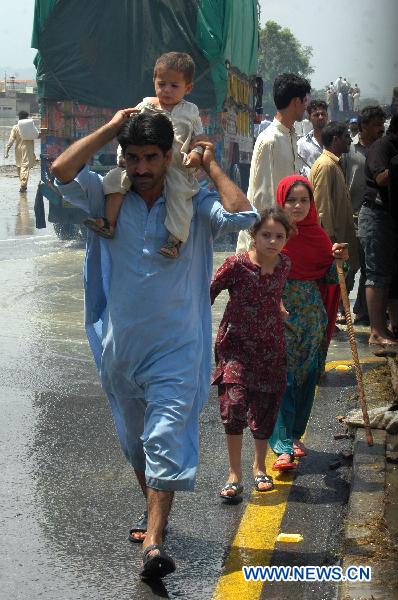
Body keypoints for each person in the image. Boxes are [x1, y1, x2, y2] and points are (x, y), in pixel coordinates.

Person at [50, 109, 258, 580]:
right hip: (121, 350)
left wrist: (209, 166)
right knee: (138, 448)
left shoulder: (193, 203)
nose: (141, 168)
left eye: (151, 158)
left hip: (178, 351)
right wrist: (110, 128)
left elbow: (244, 214)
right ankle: (153, 514)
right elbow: (61, 171)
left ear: (169, 156)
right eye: (133, 157)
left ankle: (156, 543)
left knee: (163, 438)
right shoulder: (109, 197)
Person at [85, 52, 204, 259]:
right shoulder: (145, 106)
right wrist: (123, 157)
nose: (166, 90)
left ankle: (174, 241)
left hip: (176, 165)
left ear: (188, 88)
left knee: (179, 196)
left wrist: (196, 154)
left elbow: (199, 139)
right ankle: (109, 223)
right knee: (114, 179)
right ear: (154, 82)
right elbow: (128, 133)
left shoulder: (191, 111)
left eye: (174, 86)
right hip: (141, 161)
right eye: (161, 84)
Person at [211, 207, 292, 499]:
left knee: (264, 409)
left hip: (271, 348)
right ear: (253, 236)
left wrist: (279, 307)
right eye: (266, 235)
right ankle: (234, 474)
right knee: (233, 407)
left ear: (286, 239)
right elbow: (207, 293)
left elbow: (274, 293)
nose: (272, 241)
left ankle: (260, 468)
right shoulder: (235, 265)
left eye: (279, 236)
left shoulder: (285, 265)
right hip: (235, 347)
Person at [268, 175, 348, 470]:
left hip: (312, 320)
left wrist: (340, 260)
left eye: (304, 200)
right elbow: (259, 270)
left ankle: (295, 435)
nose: (298, 206)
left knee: (306, 379)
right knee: (283, 380)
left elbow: (329, 279)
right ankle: (282, 446)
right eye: (291, 200)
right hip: (281, 318)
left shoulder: (318, 236)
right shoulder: (272, 233)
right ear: (281, 201)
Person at [236, 72, 311, 251]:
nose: (307, 107)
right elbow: (264, 196)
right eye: (306, 101)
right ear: (296, 102)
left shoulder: (291, 136)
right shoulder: (270, 140)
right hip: (265, 241)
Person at [358, 114, 398, 347]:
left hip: (390, 218)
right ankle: (376, 331)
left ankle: (391, 325)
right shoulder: (382, 147)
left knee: (391, 274)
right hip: (377, 215)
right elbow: (381, 178)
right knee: (377, 274)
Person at [342, 106, 386, 324]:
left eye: (382, 124)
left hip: (375, 214)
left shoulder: (383, 149)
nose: (381, 129)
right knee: (351, 265)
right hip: (352, 215)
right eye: (376, 124)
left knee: (370, 267)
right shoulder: (349, 150)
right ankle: (342, 309)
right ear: (363, 127)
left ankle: (362, 310)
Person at [309, 121, 359, 280]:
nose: (350, 140)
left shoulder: (334, 164)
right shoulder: (326, 166)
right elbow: (322, 209)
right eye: (346, 136)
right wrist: (329, 244)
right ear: (336, 139)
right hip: (333, 247)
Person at [4, 110, 39, 193]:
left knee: (19, 166)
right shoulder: (30, 126)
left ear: (19, 118)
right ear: (27, 118)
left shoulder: (15, 127)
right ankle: (23, 185)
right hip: (27, 149)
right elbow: (36, 135)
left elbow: (11, 140)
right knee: (25, 167)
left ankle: (23, 185)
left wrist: (7, 151)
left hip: (18, 150)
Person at [297, 100, 328, 177]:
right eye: (316, 115)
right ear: (309, 118)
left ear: (327, 116)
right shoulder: (302, 144)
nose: (321, 117)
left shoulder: (336, 140)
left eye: (323, 114)